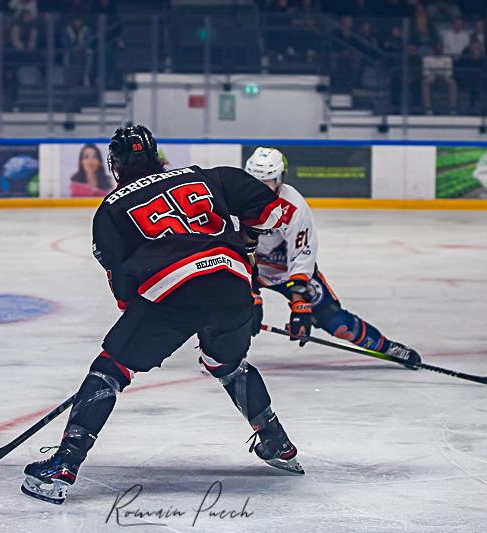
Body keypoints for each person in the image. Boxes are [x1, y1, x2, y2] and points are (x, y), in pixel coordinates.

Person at [21, 125, 303, 505]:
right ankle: (276, 440)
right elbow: (270, 211)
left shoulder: (111, 209)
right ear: (157, 156)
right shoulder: (203, 175)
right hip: (234, 285)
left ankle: (64, 465)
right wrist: (246, 244)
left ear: (116, 166)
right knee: (228, 363)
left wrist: (148, 322)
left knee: (111, 368)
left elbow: (123, 290)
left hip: (171, 292)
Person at [244, 147, 421, 369]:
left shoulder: (294, 206)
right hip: (248, 269)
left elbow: (302, 252)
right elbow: (228, 247)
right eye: (254, 181)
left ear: (279, 180)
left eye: (267, 182)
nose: (260, 190)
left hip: (286, 270)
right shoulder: (234, 203)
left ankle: (388, 348)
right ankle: (219, 355)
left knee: (333, 320)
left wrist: (300, 302)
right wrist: (250, 294)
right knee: (229, 309)